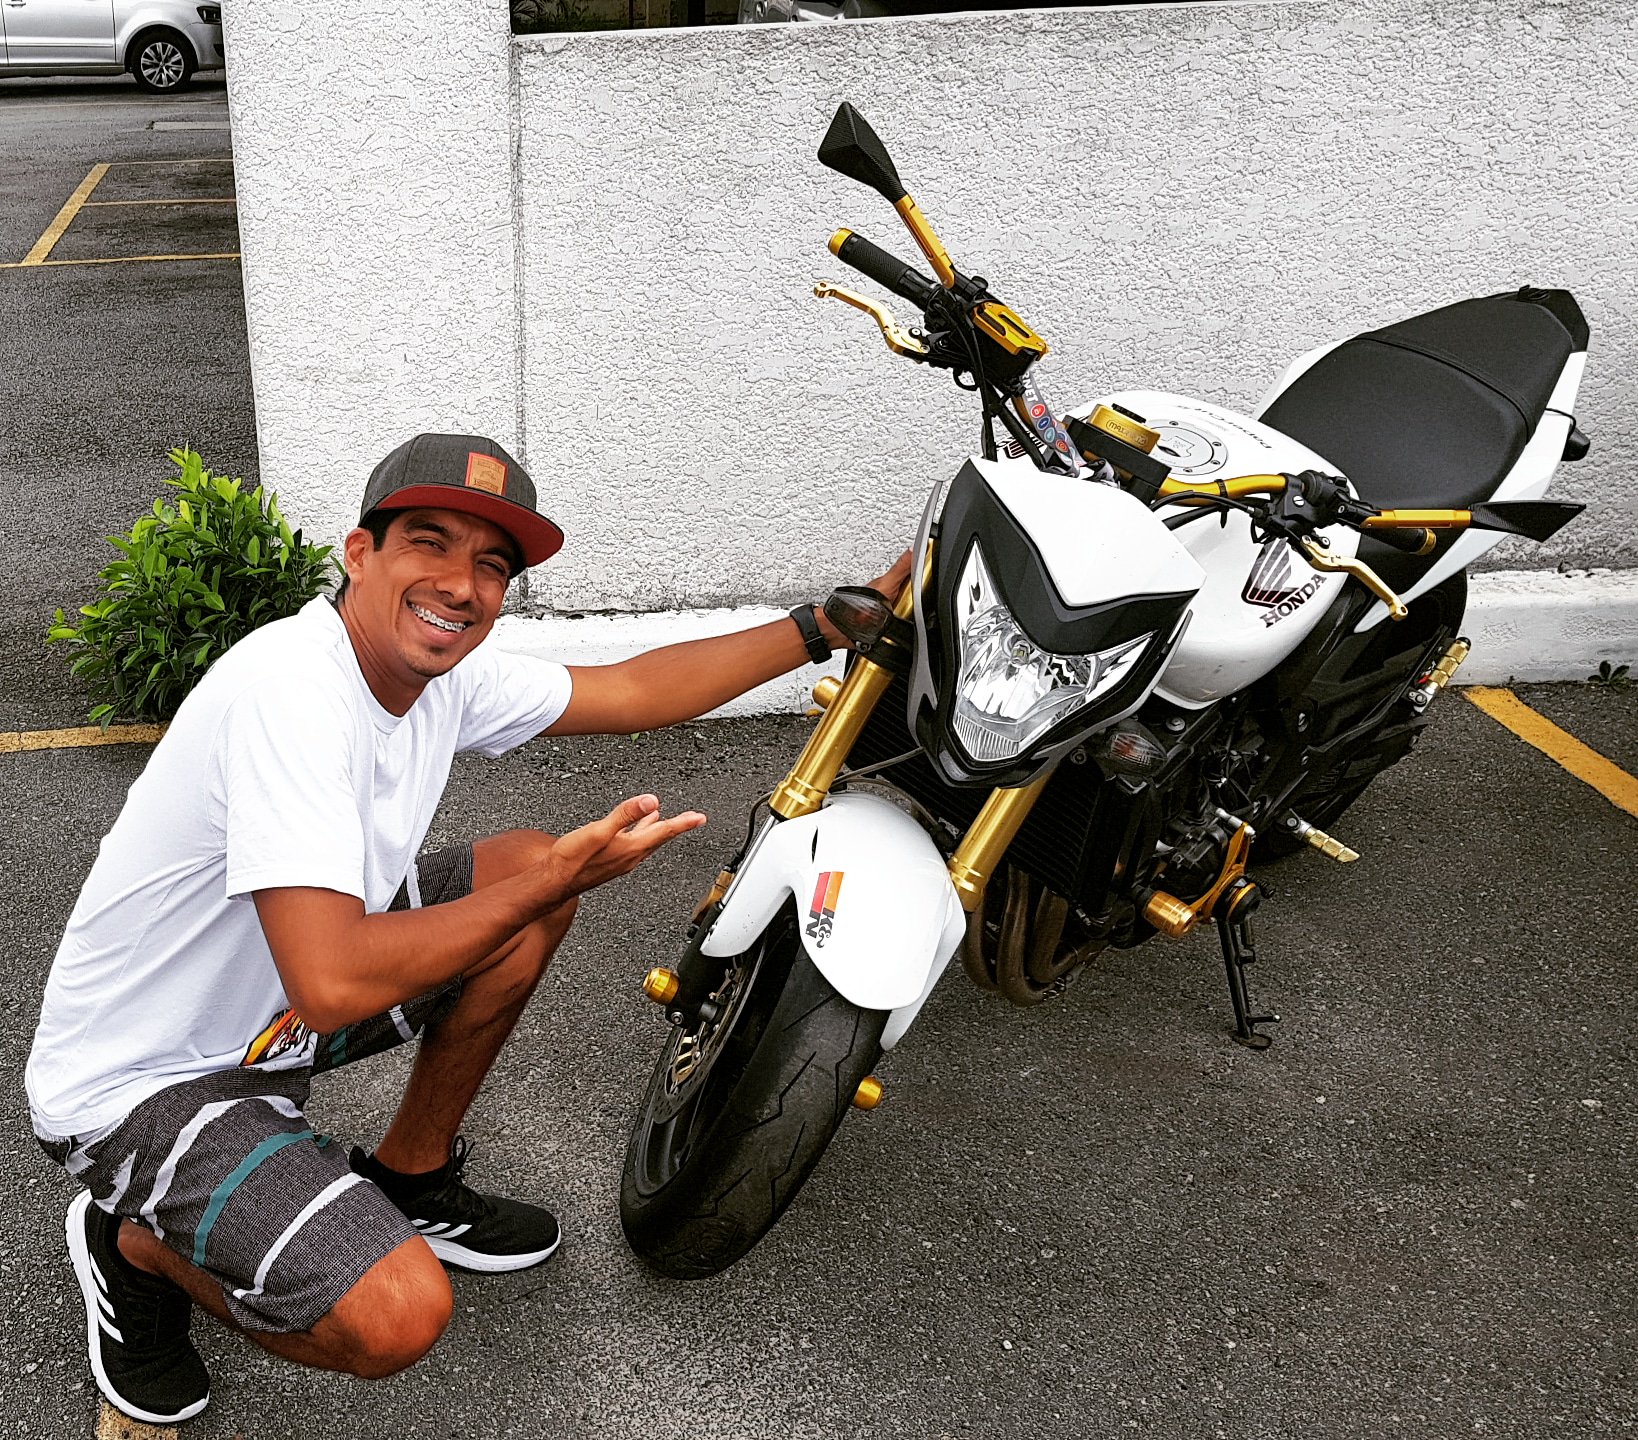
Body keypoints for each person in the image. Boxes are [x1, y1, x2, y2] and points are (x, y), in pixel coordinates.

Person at [26, 432, 909, 1426]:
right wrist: (551, 885)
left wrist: (823, 627)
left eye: (493, 564)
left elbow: (628, 691)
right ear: (361, 555)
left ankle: (410, 1175)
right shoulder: (291, 694)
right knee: (396, 1317)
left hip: (264, 1014)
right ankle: (133, 1253)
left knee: (530, 867)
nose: (461, 582)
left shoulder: (438, 675)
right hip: (143, 1082)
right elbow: (333, 983)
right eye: (430, 543)